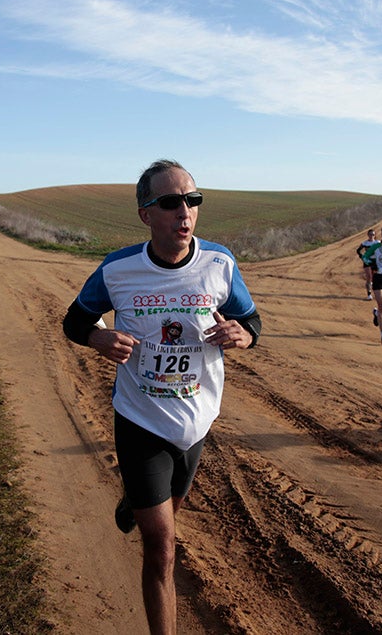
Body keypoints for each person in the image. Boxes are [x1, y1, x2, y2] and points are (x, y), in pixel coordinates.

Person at [62, 160, 261, 634]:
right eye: (170, 202)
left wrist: (243, 335)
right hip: (140, 418)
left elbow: (252, 321)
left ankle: (136, 498)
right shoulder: (118, 270)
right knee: (163, 545)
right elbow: (74, 321)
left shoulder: (219, 264)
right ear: (145, 214)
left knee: (169, 510)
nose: (184, 211)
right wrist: (98, 338)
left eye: (192, 200)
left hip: (196, 419)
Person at [356, 229, 379, 300]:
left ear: (375, 235)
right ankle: (369, 294)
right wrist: (362, 257)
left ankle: (376, 292)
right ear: (368, 235)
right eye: (370, 234)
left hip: (375, 261)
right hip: (367, 261)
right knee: (369, 277)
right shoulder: (365, 243)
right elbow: (358, 250)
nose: (371, 236)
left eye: (373, 234)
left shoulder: (377, 242)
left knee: (375, 277)